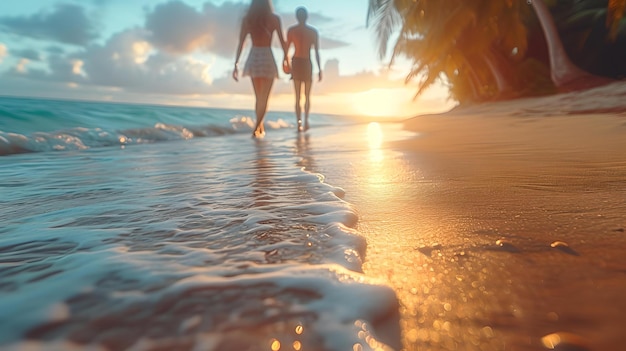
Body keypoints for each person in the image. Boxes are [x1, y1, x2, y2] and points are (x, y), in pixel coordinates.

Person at [233, 0, 288, 138]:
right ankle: (257, 127)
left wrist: (236, 64)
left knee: (259, 97)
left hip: (255, 57)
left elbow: (241, 43)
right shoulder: (274, 19)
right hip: (268, 57)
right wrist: (286, 59)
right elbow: (282, 41)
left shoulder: (248, 19)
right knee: (265, 97)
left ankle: (259, 126)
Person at [286, 6, 322, 132]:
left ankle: (300, 122)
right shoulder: (312, 32)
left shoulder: (292, 30)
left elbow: (286, 50)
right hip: (305, 62)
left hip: (298, 62)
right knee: (305, 96)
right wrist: (320, 69)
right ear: (306, 16)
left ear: (297, 16)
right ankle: (304, 121)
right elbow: (316, 52)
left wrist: (286, 63)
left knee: (299, 96)